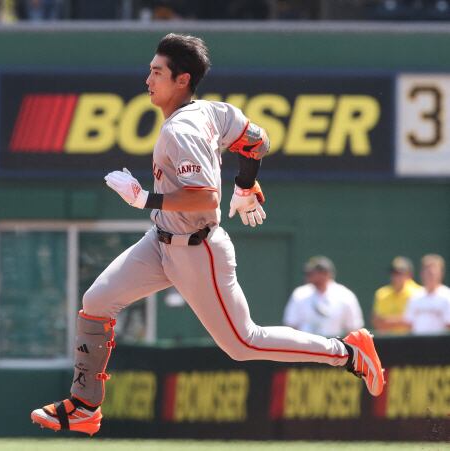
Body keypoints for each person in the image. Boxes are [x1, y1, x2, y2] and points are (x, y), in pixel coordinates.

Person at [31, 33, 385, 436]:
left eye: (157, 72)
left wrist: (144, 198)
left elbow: (204, 198)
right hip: (161, 240)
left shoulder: (181, 130)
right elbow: (258, 140)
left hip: (197, 248)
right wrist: (246, 185)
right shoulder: (212, 111)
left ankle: (348, 352)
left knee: (244, 343)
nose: (148, 79)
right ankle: (84, 406)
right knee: (96, 301)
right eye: (150, 70)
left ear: (182, 80)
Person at [283, 256, 364, 337]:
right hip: (305, 342)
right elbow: (291, 324)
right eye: (308, 274)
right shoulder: (300, 294)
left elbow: (354, 327)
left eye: (312, 273)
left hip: (334, 342)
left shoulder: (345, 295)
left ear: (326, 273)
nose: (308, 276)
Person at [371, 256, 421, 335]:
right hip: (388, 339)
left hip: (412, 339)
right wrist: (403, 319)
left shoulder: (419, 293)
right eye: (394, 273)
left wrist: (387, 321)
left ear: (409, 274)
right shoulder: (381, 293)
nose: (396, 277)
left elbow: (417, 321)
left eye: (400, 273)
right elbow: (377, 322)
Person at [404, 254, 450, 335]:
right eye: (428, 272)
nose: (430, 276)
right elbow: (409, 323)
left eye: (433, 273)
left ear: (441, 273)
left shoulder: (447, 295)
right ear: (422, 273)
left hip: (441, 341)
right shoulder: (414, 296)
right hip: (418, 341)